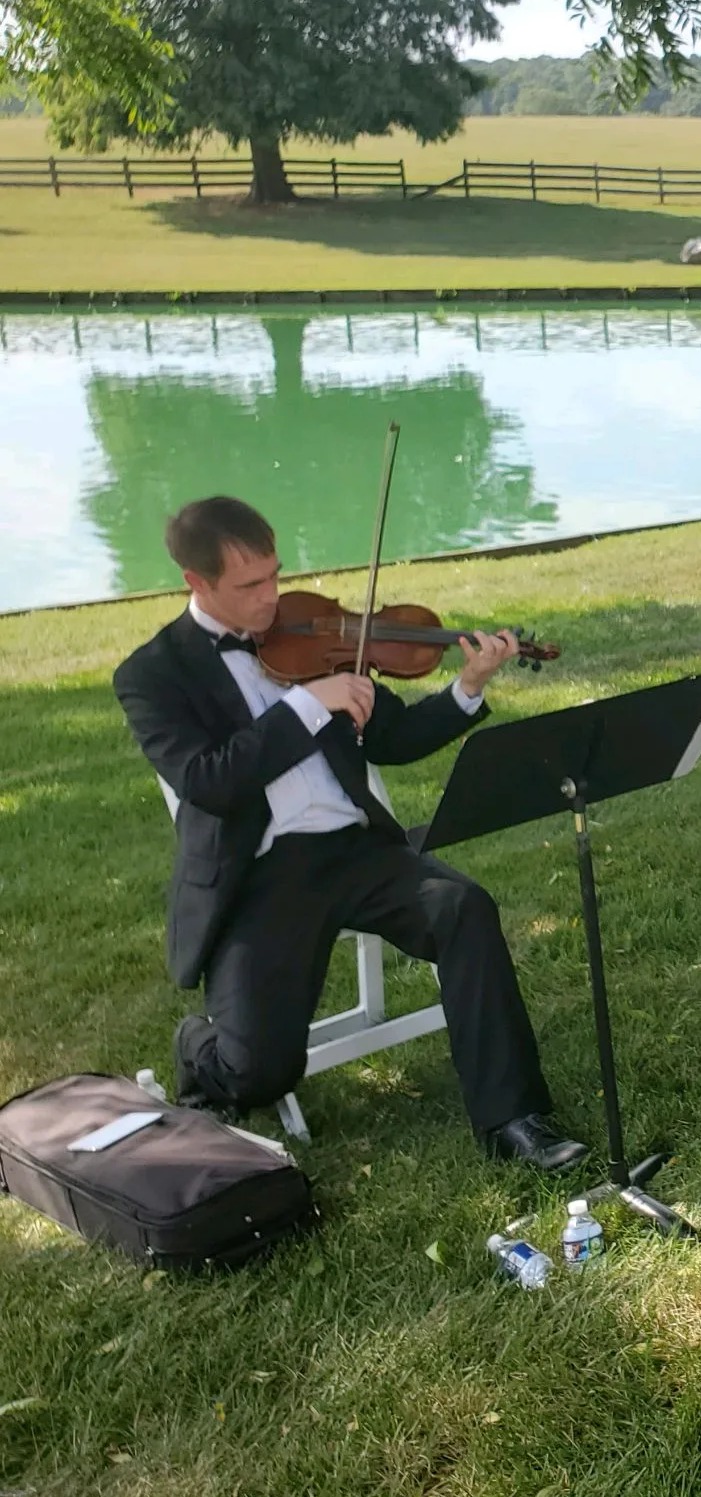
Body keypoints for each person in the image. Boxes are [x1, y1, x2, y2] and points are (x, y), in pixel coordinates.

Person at [113, 497, 587, 1171]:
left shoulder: (314, 632)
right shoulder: (153, 673)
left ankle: (513, 1120)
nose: (271, 597)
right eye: (250, 585)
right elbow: (209, 780)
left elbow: (394, 737)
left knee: (463, 908)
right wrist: (309, 703)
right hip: (260, 875)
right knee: (259, 1072)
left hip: (355, 848)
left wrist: (468, 687)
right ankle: (200, 1047)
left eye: (275, 574)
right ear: (197, 581)